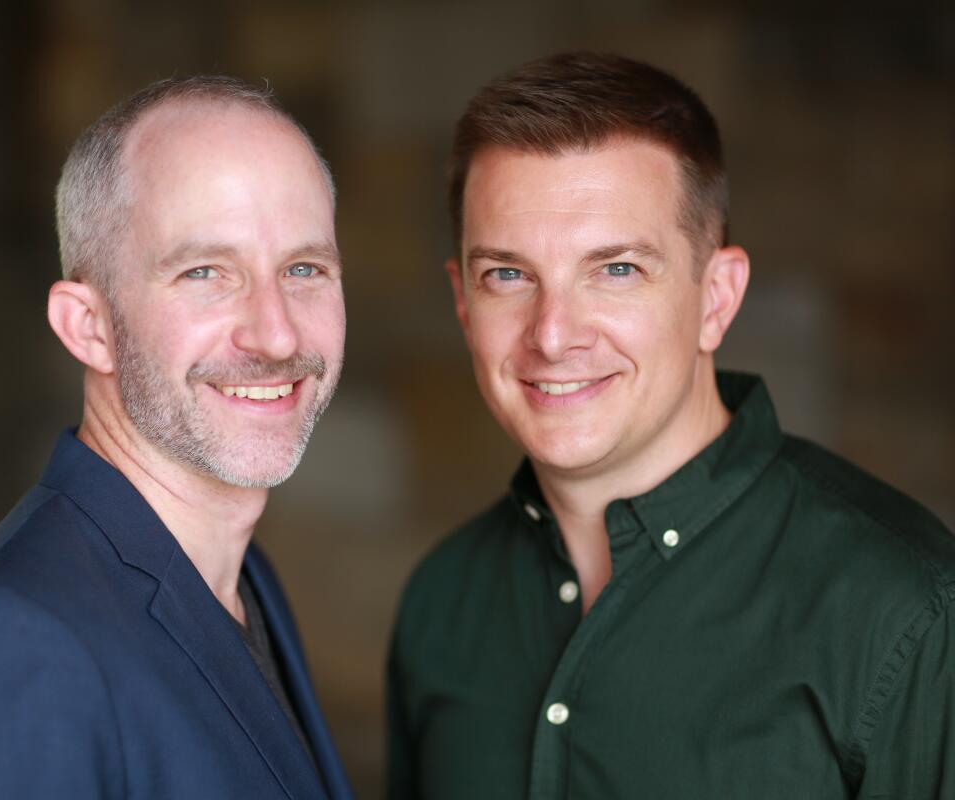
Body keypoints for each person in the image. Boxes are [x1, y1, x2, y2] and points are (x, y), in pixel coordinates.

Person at [387, 52, 955, 799]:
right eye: (508, 275)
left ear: (715, 297)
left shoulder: (906, 609)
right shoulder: (442, 602)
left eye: (616, 269)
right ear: (464, 302)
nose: (553, 335)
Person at [0, 76, 353, 800]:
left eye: (304, 269)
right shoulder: (10, 656)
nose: (276, 333)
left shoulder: (245, 581)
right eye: (206, 273)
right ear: (88, 327)